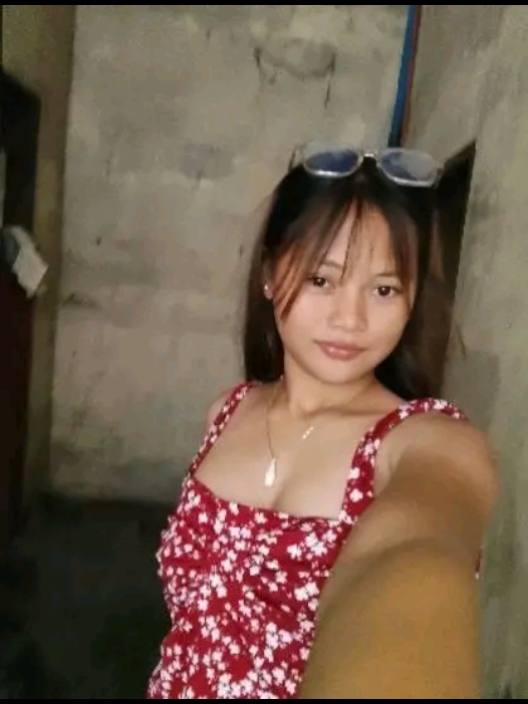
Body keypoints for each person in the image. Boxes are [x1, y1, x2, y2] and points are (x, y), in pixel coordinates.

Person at [147, 144, 497, 699]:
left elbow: (415, 554)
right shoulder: (227, 412)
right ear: (269, 274)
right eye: (321, 280)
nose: (349, 318)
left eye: (384, 289)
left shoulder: (426, 443)